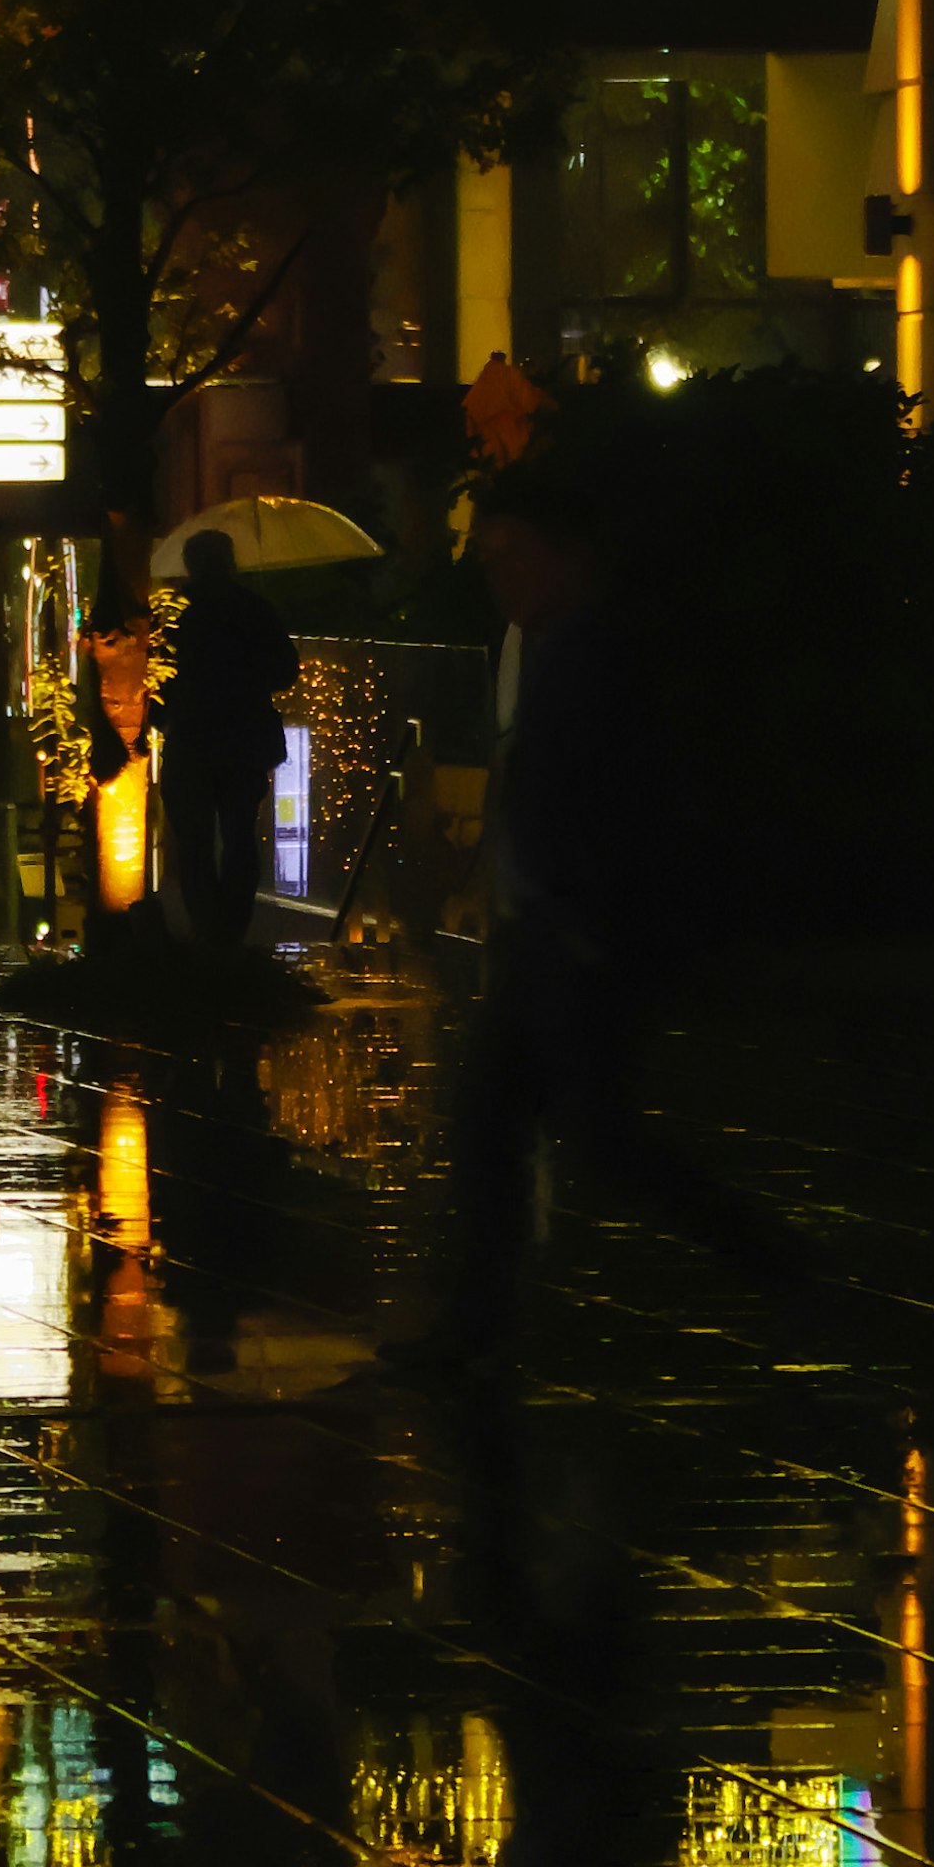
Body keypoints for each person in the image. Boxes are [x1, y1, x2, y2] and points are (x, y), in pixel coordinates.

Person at [409, 470, 783, 1369]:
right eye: (490, 562)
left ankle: (774, 1264)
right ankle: (476, 1329)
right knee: (516, 1122)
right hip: (560, 927)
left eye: (513, 558)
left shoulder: (598, 656)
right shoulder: (565, 648)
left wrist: (586, 916)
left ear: (568, 556)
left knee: (576, 1132)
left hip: (577, 934)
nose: (500, 579)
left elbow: (619, 800)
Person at [155, 528, 296, 951]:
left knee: (194, 840)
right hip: (244, 742)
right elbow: (285, 671)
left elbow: (156, 683)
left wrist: (167, 718)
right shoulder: (254, 609)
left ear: (190, 564)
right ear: (230, 562)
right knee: (239, 836)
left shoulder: (175, 615)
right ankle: (232, 929)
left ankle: (207, 928)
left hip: (190, 742)